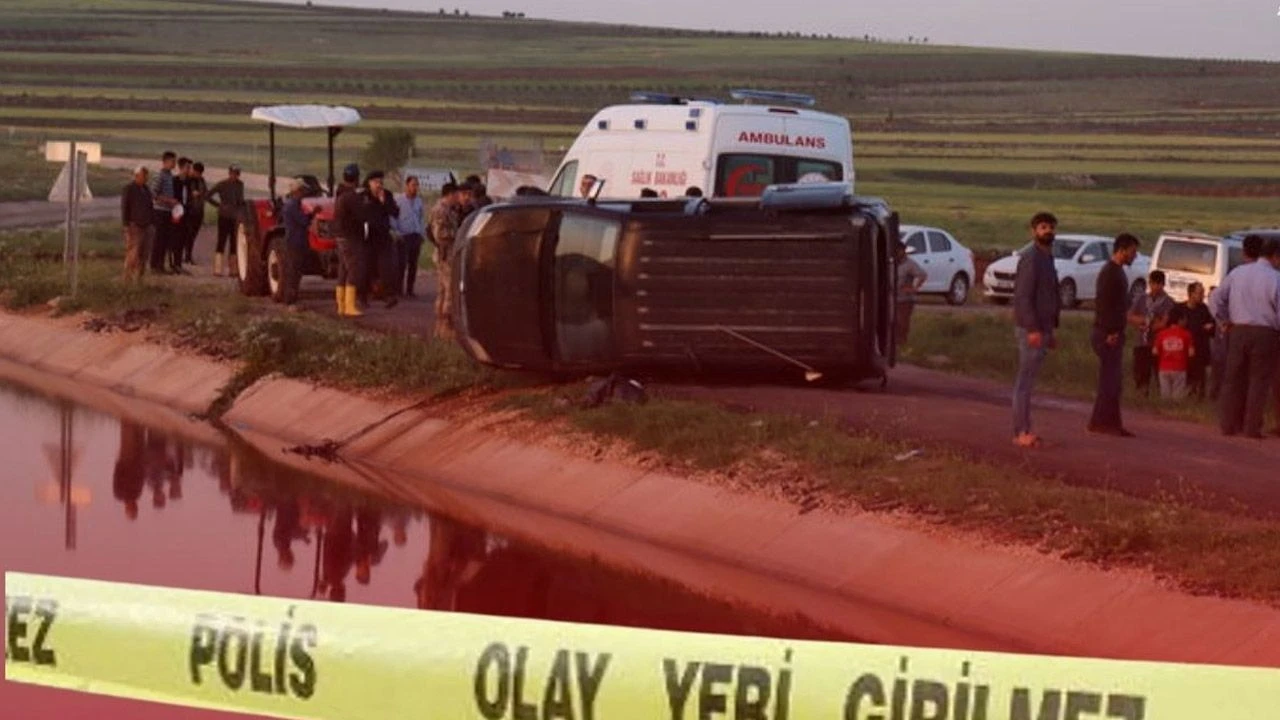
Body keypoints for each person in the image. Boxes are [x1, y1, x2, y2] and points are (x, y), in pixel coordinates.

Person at [1209, 235, 1280, 438]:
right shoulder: (1275, 278)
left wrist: (1222, 320)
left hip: (1238, 330)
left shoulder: (1238, 273)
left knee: (1232, 378)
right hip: (1265, 333)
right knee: (1259, 380)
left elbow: (1215, 298)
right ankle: (1251, 427)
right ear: (1275, 256)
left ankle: (1227, 424)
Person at [1011, 211, 1061, 448]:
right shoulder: (1031, 258)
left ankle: (1025, 429)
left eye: (1050, 227)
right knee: (1024, 382)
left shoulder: (1047, 258)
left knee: (1028, 381)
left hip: (1043, 328)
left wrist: (1051, 329)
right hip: (1031, 329)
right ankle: (1021, 431)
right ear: (1033, 231)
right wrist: (1032, 328)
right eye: (1043, 227)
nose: (1047, 231)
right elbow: (1022, 297)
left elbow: (1050, 296)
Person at [1088, 232, 1140, 436]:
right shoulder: (1110, 273)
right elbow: (1104, 305)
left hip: (1112, 331)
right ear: (1122, 250)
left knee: (1113, 381)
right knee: (1109, 381)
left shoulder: (1116, 272)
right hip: (1108, 333)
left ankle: (1108, 422)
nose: (1135, 256)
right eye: (1133, 252)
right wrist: (1109, 331)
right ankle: (1102, 423)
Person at [1127, 270, 1174, 398]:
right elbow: (1130, 316)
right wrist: (1143, 321)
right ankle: (1141, 392)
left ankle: (1161, 395)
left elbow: (1165, 322)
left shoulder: (1168, 302)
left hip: (1158, 343)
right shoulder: (1142, 299)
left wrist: (1152, 325)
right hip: (1141, 341)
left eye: (1159, 284)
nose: (1156, 287)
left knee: (1159, 371)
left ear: (1163, 285)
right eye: (1153, 284)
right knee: (1140, 370)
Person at [360, 170, 400, 309]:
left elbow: (395, 212)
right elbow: (363, 212)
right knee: (367, 268)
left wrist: (384, 202)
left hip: (383, 236)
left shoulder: (387, 195)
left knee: (386, 268)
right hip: (369, 236)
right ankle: (363, 297)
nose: (379, 185)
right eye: (376, 182)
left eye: (381, 182)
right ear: (370, 183)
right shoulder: (364, 196)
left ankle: (388, 296)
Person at [428, 182, 463, 340]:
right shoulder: (441, 211)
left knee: (444, 289)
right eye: (456, 195)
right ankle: (446, 322)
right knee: (448, 289)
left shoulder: (448, 210)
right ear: (450, 194)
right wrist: (458, 233)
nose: (458, 198)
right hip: (445, 254)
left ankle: (442, 323)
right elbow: (439, 234)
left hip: (447, 254)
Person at [332, 163, 365, 317]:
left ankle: (341, 304)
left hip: (340, 236)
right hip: (350, 237)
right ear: (356, 178)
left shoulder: (340, 194)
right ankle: (349, 306)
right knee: (354, 269)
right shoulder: (352, 197)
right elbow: (362, 215)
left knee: (343, 270)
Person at [280, 177, 317, 309]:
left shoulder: (291, 204)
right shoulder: (292, 206)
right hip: (296, 241)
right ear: (298, 191)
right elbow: (304, 221)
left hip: (295, 240)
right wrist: (313, 214)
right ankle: (290, 300)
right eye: (303, 190)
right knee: (294, 272)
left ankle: (291, 299)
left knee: (295, 271)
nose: (304, 193)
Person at [207, 164, 246, 278]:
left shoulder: (240, 185)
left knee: (234, 243)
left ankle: (233, 269)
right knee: (221, 241)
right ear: (229, 173)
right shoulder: (222, 184)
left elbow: (240, 200)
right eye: (234, 173)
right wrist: (218, 205)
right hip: (224, 216)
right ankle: (218, 269)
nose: (236, 175)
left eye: (237, 173)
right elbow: (208, 195)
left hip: (235, 217)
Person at [1181, 282, 1216, 401]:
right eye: (1200, 293)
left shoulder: (1204, 309)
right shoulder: (1180, 309)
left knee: (1201, 374)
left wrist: (1209, 327)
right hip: (1184, 349)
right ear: (1191, 294)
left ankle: (1199, 395)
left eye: (1203, 293)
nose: (1202, 296)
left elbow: (1211, 326)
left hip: (1201, 348)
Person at [120, 165, 153, 284]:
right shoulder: (129, 189)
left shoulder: (146, 189)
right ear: (137, 176)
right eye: (144, 176)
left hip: (147, 225)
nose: (146, 179)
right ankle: (127, 278)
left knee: (144, 253)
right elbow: (124, 207)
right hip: (134, 225)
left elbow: (150, 206)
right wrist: (126, 225)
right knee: (133, 253)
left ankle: (139, 279)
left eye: (147, 176)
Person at [394, 175, 426, 298]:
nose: (415, 188)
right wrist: (396, 231)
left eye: (417, 185)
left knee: (413, 264)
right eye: (413, 185)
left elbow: (421, 217)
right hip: (403, 234)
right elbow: (394, 217)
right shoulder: (399, 200)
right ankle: (398, 289)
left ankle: (410, 289)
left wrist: (421, 233)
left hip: (415, 235)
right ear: (407, 186)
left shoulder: (418, 201)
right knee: (401, 264)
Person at [1153, 306, 1194, 401]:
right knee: (1178, 398)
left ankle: (1164, 413)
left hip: (1163, 368)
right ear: (1180, 320)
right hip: (1180, 368)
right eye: (1184, 319)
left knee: (1165, 397)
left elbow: (1154, 351)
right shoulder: (1186, 334)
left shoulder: (1161, 334)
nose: (1186, 321)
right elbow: (1191, 353)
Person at [148, 151, 179, 273]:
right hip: (160, 211)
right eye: (173, 161)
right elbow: (153, 193)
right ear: (166, 162)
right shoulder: (159, 175)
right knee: (159, 239)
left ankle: (160, 265)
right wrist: (168, 200)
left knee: (165, 240)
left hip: (168, 211)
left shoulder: (170, 175)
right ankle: (154, 265)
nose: (174, 164)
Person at [893, 241, 927, 346]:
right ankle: (893, 343)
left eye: (899, 250)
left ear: (903, 251)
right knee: (893, 322)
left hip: (905, 299)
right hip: (893, 298)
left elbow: (922, 274)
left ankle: (902, 342)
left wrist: (914, 288)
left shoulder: (910, 264)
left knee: (902, 322)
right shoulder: (892, 263)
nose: (897, 253)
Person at [182, 161, 208, 266]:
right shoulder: (188, 181)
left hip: (199, 211)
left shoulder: (202, 180)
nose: (197, 174)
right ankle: (185, 255)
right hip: (189, 211)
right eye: (196, 172)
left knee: (193, 235)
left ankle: (188, 255)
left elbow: (206, 193)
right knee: (187, 233)